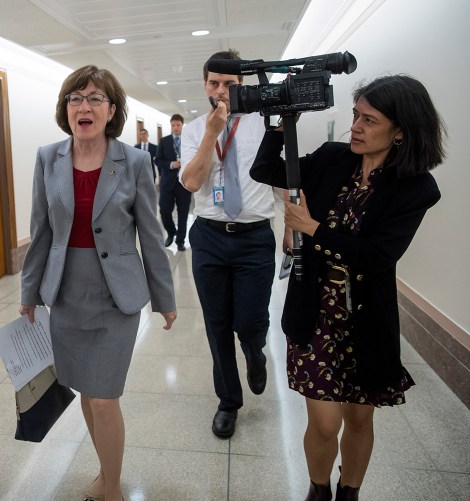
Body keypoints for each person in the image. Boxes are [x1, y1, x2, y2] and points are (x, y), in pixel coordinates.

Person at [250, 75, 444, 501]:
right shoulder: (333, 158)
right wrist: (281, 128)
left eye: (368, 119)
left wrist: (312, 228)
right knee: (323, 422)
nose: (354, 126)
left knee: (359, 419)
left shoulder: (416, 189)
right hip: (313, 311)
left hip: (365, 320)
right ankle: (318, 489)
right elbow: (264, 169)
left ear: (400, 132)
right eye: (355, 115)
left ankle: (349, 492)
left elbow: (377, 257)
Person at [19, 65, 177, 501]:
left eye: (94, 99)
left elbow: (151, 232)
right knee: (87, 393)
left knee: (105, 397)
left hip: (115, 296)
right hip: (66, 293)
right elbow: (42, 230)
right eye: (75, 98)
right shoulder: (47, 157)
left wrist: (165, 297)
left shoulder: (136, 161)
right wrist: (29, 292)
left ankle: (113, 489)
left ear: (112, 110)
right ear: (64, 108)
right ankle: (107, 474)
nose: (83, 106)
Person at [179, 50, 276, 439]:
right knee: (217, 324)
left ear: (243, 85)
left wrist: (289, 225)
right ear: (205, 84)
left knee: (249, 321)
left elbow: (281, 175)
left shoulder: (263, 124)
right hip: (209, 238)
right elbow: (191, 182)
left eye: (230, 85)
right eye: (214, 83)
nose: (221, 91)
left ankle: (255, 350)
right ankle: (228, 402)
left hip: (255, 237)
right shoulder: (193, 129)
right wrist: (210, 135)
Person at [155, 114, 192, 250]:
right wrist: (171, 164)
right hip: (167, 183)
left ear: (182, 125)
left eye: (178, 125)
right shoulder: (164, 141)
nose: (175, 128)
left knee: (183, 213)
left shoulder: (189, 140)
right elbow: (157, 160)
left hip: (184, 183)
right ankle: (171, 232)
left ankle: (180, 241)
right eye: (173, 125)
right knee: (164, 210)